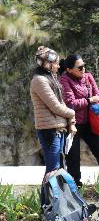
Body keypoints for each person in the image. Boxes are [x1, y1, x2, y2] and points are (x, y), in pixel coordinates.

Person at [59, 55, 99, 187]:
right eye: (80, 67)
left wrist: (93, 100)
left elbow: (98, 95)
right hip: (72, 123)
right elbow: (70, 104)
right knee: (73, 156)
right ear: (69, 69)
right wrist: (89, 100)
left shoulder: (88, 77)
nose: (83, 69)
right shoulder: (64, 79)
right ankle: (75, 184)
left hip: (90, 122)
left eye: (84, 66)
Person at [30, 46, 76, 175]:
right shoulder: (39, 80)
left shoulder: (51, 79)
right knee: (53, 168)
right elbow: (56, 107)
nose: (58, 66)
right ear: (48, 64)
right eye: (56, 63)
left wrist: (71, 121)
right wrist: (73, 113)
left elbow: (61, 103)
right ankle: (49, 190)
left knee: (57, 168)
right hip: (49, 130)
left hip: (57, 128)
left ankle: (52, 189)